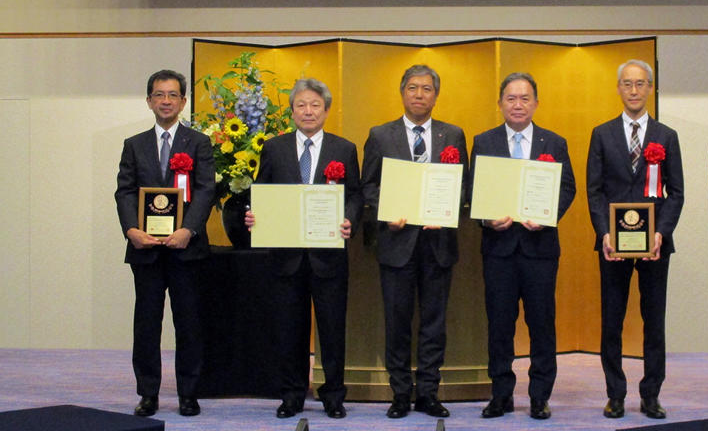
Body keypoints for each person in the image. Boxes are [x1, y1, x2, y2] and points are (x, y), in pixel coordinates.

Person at [244, 78, 362, 419]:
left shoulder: (344, 149)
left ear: (326, 110)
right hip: (286, 257)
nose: (308, 111)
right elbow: (262, 192)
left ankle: (333, 395)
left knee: (332, 329)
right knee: (289, 328)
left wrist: (349, 220)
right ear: (292, 111)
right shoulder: (274, 148)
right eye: (301, 105)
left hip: (329, 256)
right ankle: (292, 394)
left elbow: (353, 194)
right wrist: (255, 216)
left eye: (315, 105)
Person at [360, 64, 469, 419]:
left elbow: (462, 185)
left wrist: (447, 208)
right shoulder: (380, 135)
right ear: (402, 92)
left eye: (426, 89)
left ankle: (428, 393)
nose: (419, 94)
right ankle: (400, 394)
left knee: (434, 323)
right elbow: (369, 186)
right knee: (398, 321)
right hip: (397, 243)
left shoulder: (453, 135)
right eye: (412, 88)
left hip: (438, 245)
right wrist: (385, 211)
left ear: (436, 95)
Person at [470, 72, 576, 421]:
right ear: (499, 103)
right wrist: (486, 218)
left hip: (539, 249)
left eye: (525, 98)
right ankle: (500, 395)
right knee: (499, 325)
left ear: (536, 103)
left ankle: (539, 396)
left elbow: (567, 188)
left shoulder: (554, 142)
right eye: (511, 98)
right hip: (498, 249)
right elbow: (473, 191)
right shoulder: (483, 141)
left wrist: (546, 216)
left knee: (542, 324)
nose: (518, 104)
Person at [586, 59, 684, 420]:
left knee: (653, 320)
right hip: (613, 245)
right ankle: (615, 394)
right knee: (611, 320)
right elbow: (594, 191)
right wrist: (605, 232)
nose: (633, 90)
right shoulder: (602, 133)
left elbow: (676, 192)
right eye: (627, 83)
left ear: (650, 88)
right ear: (618, 88)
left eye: (640, 84)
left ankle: (651, 394)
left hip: (655, 246)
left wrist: (661, 232)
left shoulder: (666, 136)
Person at [114, 69, 215, 417]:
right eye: (159, 95)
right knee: (146, 324)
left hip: (186, 249)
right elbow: (124, 191)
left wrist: (188, 229)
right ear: (149, 101)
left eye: (173, 95)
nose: (166, 101)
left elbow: (205, 190)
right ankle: (148, 394)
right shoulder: (134, 144)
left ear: (183, 101)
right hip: (145, 250)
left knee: (188, 323)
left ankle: (188, 393)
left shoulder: (199, 143)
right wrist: (131, 230)